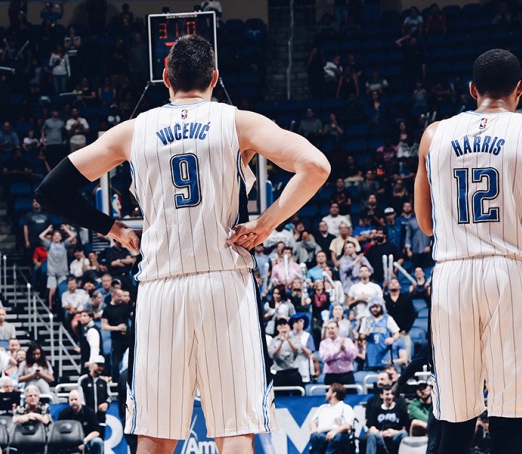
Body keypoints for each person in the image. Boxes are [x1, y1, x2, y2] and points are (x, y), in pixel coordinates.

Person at [34, 35, 330, 452]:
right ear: (215, 77)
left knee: (155, 435)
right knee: (234, 430)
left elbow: (50, 191)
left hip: (160, 288)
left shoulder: (132, 131)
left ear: (165, 78)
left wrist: (113, 229)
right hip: (225, 281)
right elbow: (315, 165)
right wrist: (266, 224)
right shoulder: (239, 122)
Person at [415, 49, 522, 454]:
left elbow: (426, 224)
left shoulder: (434, 134)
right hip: (509, 273)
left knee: (454, 418)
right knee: (512, 416)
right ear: (520, 88)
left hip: (450, 276)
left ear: (472, 89)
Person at [360, 388, 409, 454]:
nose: (389, 397)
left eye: (391, 394)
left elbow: (404, 428)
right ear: (381, 396)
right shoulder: (376, 410)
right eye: (387, 394)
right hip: (380, 437)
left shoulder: (400, 410)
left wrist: (395, 432)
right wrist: (381, 433)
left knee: (404, 433)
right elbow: (371, 427)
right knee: (371, 435)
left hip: (395, 437)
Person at [309, 383, 354, 454]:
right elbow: (313, 422)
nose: (326, 394)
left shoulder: (345, 407)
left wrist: (334, 432)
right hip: (321, 434)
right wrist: (314, 429)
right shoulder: (322, 407)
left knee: (338, 438)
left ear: (334, 394)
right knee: (315, 437)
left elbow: (347, 425)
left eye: (328, 392)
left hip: (338, 434)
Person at [57, 389, 103, 454]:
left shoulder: (89, 412)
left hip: (87, 440)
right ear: (68, 401)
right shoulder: (63, 414)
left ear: (80, 400)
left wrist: (85, 441)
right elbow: (59, 434)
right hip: (70, 443)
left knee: (98, 441)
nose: (74, 402)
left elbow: (96, 432)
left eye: (76, 399)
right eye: (71, 400)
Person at [359, 300, 401, 371]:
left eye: (377, 307)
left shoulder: (388, 319)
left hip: (384, 353)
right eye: (373, 307)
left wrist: (392, 339)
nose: (375, 309)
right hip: (371, 354)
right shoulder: (366, 320)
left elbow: (397, 333)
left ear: (381, 307)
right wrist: (364, 335)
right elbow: (361, 336)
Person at [78, 356, 109, 439]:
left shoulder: (104, 381)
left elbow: (109, 397)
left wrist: (106, 404)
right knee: (86, 442)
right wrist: (87, 412)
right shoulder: (83, 380)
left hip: (100, 419)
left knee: (100, 442)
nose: (101, 368)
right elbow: (81, 399)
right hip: (87, 419)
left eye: (102, 365)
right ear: (92, 364)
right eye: (98, 365)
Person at [319, 320, 358, 385]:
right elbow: (324, 358)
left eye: (332, 328)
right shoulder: (324, 343)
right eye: (328, 328)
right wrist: (338, 351)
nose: (330, 330)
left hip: (346, 375)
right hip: (331, 376)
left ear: (338, 329)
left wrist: (345, 349)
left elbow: (353, 355)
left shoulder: (347, 341)